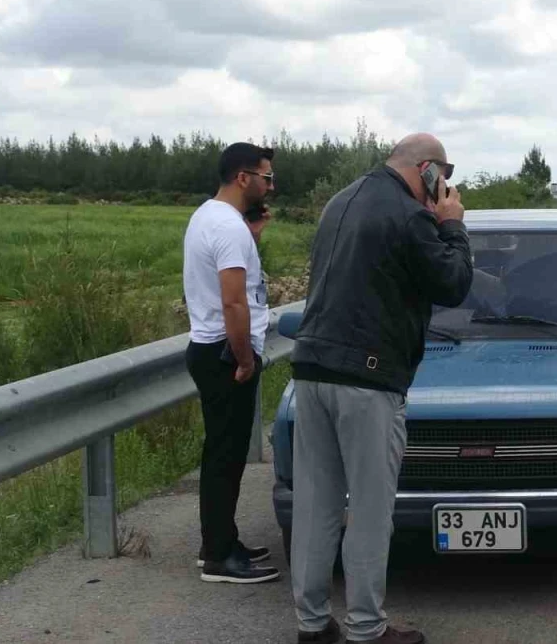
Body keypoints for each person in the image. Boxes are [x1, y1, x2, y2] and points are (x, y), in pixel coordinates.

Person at [288, 133, 473, 644]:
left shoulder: (340, 201)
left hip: (312, 369)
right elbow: (454, 283)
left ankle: (311, 623)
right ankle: (366, 628)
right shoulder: (410, 216)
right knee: (370, 510)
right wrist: (452, 225)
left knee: (316, 505)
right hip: (368, 380)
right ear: (428, 170)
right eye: (445, 175)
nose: (446, 185)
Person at [182, 141, 281, 585]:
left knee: (222, 452)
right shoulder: (228, 227)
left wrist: (252, 236)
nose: (270, 186)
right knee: (226, 456)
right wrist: (243, 359)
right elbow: (234, 302)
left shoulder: (210, 217)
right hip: (225, 352)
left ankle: (220, 542)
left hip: (210, 348)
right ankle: (219, 557)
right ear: (244, 178)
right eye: (266, 177)